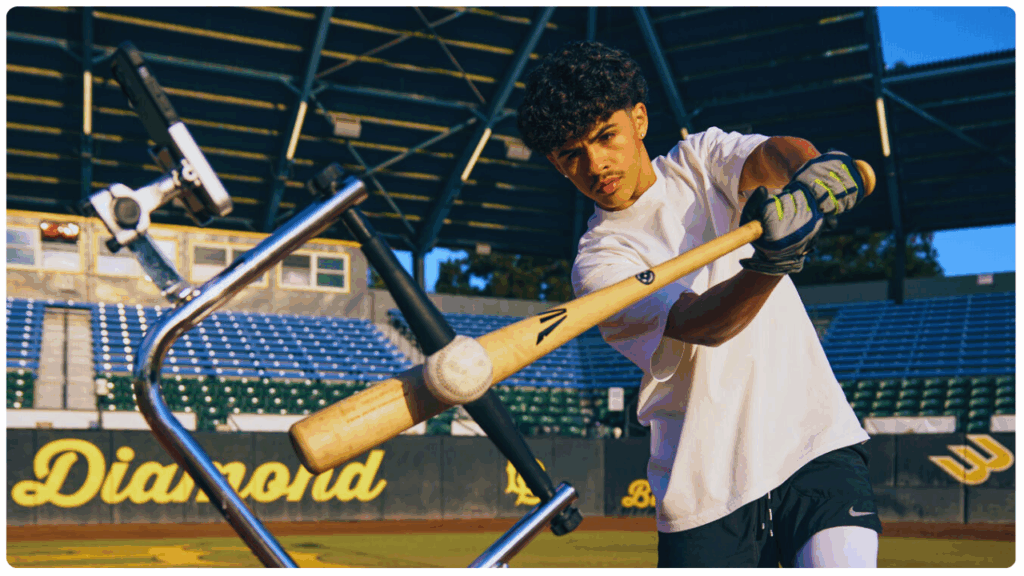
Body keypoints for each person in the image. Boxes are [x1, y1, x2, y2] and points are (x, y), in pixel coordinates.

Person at [516, 40, 882, 568]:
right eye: (572, 154)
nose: (595, 163)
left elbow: (774, 155)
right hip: (703, 494)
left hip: (813, 445)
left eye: (605, 136)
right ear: (557, 165)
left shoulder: (699, 159)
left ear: (639, 119)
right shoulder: (598, 263)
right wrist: (771, 265)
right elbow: (703, 323)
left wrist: (813, 171)